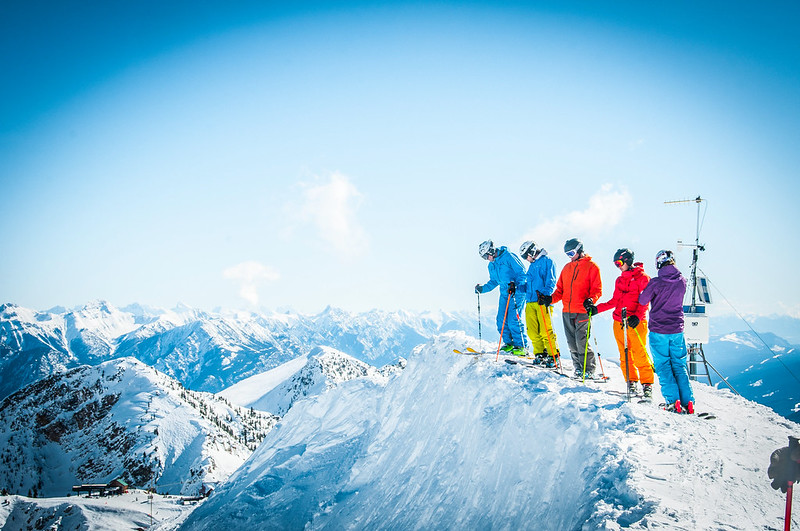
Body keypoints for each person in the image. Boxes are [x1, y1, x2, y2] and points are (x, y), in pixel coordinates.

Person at [638, 250, 695, 413]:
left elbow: (643, 300)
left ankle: (672, 401)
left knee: (663, 365)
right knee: (679, 365)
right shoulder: (682, 281)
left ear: (658, 263)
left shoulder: (656, 282)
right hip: (677, 330)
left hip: (659, 330)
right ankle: (688, 401)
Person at [596, 249, 654, 400]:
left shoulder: (643, 278)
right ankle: (631, 381)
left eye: (619, 263)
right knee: (624, 354)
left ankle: (647, 384)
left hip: (635, 323)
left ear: (627, 260)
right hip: (619, 321)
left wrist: (638, 316)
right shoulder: (620, 280)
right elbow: (615, 301)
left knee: (639, 353)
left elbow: (644, 301)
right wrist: (597, 309)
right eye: (616, 264)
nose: (618, 267)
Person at [551, 238, 602, 378]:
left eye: (572, 252)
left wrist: (592, 300)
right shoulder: (567, 268)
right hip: (567, 310)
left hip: (582, 310)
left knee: (582, 341)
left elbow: (597, 290)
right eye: (567, 254)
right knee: (571, 342)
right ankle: (578, 368)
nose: (570, 256)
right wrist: (550, 299)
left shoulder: (592, 267)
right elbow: (559, 290)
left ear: (580, 250)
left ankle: (589, 369)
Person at [475, 240, 527, 355]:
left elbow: (522, 273)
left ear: (492, 251)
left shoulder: (509, 257)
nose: (487, 259)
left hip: (516, 292)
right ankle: (509, 343)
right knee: (500, 319)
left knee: (513, 319)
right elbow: (494, 281)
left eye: (486, 256)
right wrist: (482, 289)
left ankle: (521, 345)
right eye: (484, 257)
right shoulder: (491, 265)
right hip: (504, 293)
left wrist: (516, 285)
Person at [519, 241, 560, 367]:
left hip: (541, 301)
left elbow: (551, 280)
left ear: (532, 251)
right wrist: (517, 287)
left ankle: (553, 356)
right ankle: (540, 354)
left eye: (526, 256)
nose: (526, 259)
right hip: (530, 301)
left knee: (545, 330)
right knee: (532, 331)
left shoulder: (547, 261)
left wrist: (546, 295)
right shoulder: (532, 266)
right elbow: (528, 285)